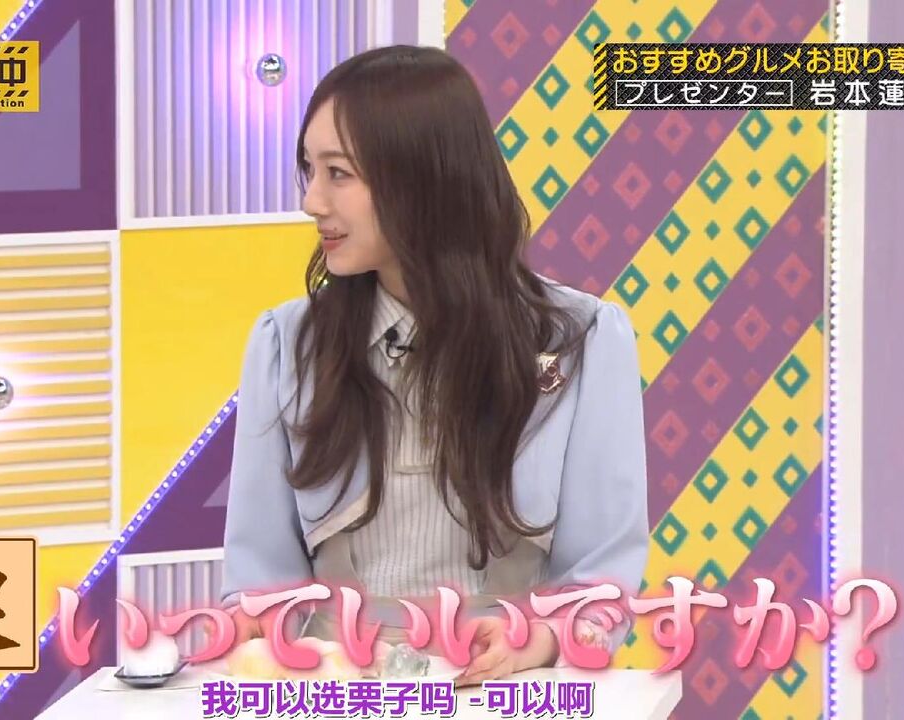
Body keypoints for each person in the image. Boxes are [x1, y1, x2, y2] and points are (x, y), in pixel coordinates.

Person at [219, 45, 647, 685]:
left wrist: (542, 639)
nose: (311, 200)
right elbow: (259, 583)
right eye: (308, 169)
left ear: (421, 177)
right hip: (337, 690)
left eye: (338, 174)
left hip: (504, 688)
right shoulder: (288, 344)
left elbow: (602, 580)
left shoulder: (580, 339)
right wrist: (250, 629)